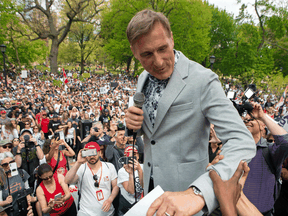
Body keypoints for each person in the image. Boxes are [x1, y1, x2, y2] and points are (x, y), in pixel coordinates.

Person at [125, 9, 256, 215]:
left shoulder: (203, 80)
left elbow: (242, 141)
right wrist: (133, 125)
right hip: (151, 193)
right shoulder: (143, 78)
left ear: (172, 39)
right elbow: (155, 132)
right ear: (134, 52)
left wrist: (198, 193)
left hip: (188, 201)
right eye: (147, 54)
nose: (158, 62)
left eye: (163, 48)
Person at [242, 102, 288, 215]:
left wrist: (262, 116)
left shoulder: (270, 151)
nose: (247, 122)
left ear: (263, 126)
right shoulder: (236, 150)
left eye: (252, 119)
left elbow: (285, 142)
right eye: (245, 120)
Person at [65, 142, 119, 216]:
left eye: (94, 152)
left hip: (107, 213)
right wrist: (78, 162)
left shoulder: (109, 166)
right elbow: (67, 181)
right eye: (88, 153)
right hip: (86, 212)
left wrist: (110, 200)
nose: (91, 156)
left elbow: (116, 186)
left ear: (99, 153)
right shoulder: (81, 167)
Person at [117, 146, 143, 215]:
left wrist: (139, 170)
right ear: (125, 157)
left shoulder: (143, 167)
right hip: (127, 206)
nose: (132, 157)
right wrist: (131, 174)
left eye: (134, 154)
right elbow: (131, 191)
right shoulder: (122, 171)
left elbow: (145, 186)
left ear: (138, 155)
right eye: (129, 155)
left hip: (142, 204)